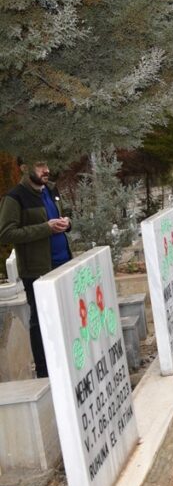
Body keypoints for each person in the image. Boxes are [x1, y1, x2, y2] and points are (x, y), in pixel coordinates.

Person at [0, 157, 73, 378]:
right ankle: (44, 372)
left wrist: (67, 223)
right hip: (37, 270)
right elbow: (5, 233)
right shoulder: (15, 197)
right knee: (41, 321)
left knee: (65, 314)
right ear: (24, 168)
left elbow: (64, 214)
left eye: (47, 165)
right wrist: (45, 228)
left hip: (63, 262)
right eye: (40, 166)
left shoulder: (50, 190)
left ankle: (67, 362)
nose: (46, 170)